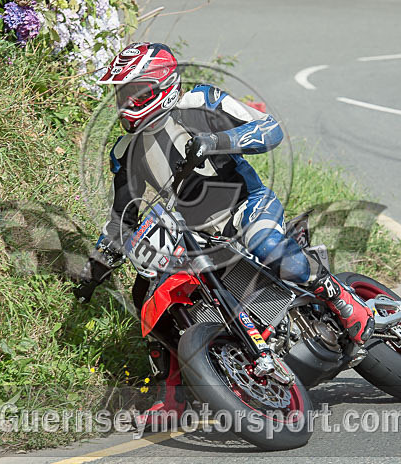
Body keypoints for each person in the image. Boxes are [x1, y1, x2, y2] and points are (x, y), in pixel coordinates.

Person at [75, 42, 374, 422]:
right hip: (200, 235)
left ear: (162, 84)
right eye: (122, 93)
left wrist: (216, 141)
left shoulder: (202, 101)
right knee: (147, 291)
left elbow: (269, 130)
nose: (126, 102)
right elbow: (123, 214)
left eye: (135, 92)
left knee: (263, 242)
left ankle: (345, 303)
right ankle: (174, 394)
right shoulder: (124, 151)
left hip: (248, 206)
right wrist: (97, 268)